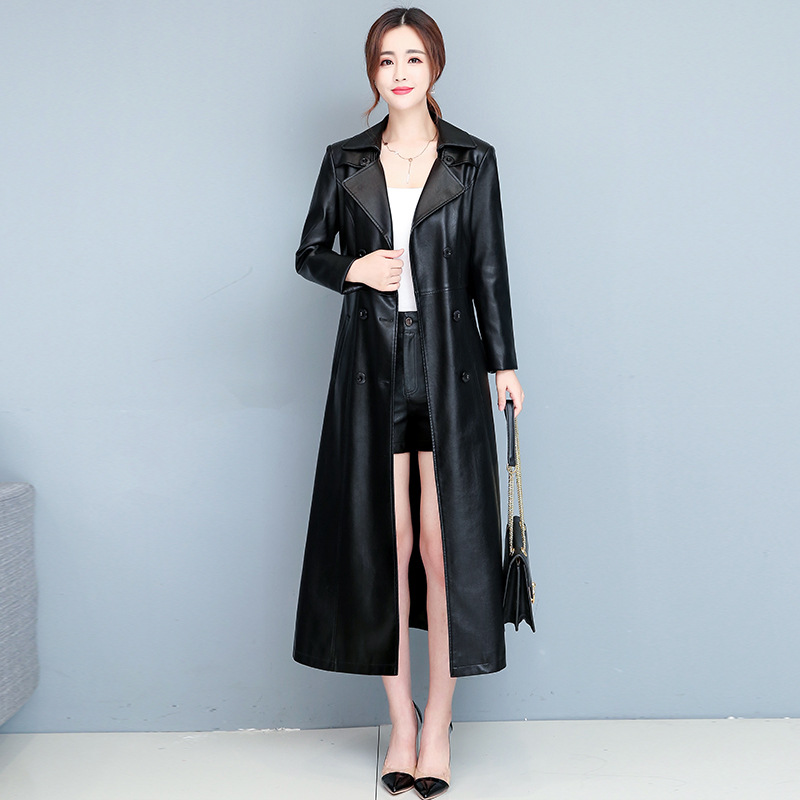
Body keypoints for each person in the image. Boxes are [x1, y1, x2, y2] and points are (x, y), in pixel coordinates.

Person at [292, 7, 523, 797]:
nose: (400, 72)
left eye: (413, 57)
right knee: (384, 545)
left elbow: (488, 269)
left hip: (449, 364)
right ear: (372, 70)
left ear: (435, 67)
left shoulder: (473, 159)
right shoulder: (345, 159)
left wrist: (505, 366)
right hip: (371, 365)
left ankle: (439, 722)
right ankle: (399, 720)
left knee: (441, 546)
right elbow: (309, 252)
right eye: (386, 59)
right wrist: (353, 270)